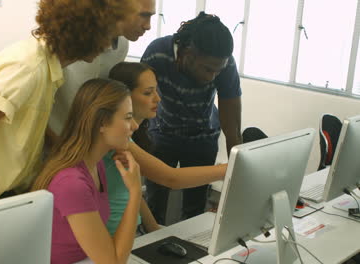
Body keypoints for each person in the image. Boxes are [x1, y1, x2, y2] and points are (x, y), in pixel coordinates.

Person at [0, 0, 137, 211]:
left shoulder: (48, 68)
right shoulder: (29, 68)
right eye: (106, 35)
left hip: (2, 192)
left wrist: (66, 151)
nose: (107, 46)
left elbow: (28, 121)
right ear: (85, 32)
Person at [141, 12, 242, 224]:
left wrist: (237, 158)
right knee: (154, 202)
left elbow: (230, 111)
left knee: (194, 209)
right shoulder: (158, 53)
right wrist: (135, 145)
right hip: (161, 133)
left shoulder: (223, 62)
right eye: (207, 69)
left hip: (202, 137)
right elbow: (138, 99)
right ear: (187, 53)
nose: (211, 76)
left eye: (217, 71)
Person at [105, 62, 227, 234]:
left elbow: (131, 192)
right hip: (115, 235)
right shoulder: (117, 142)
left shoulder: (130, 138)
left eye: (156, 90)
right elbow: (172, 178)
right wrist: (226, 170)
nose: (158, 98)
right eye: (148, 93)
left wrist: (154, 229)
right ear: (124, 97)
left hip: (132, 229)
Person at [31, 79, 141, 264]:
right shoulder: (72, 183)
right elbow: (112, 262)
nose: (135, 126)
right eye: (128, 117)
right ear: (102, 123)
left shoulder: (95, 165)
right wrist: (135, 191)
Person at [48, 0, 156, 137]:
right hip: (52, 140)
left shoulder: (122, 46)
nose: (148, 26)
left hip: (87, 141)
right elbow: (39, 104)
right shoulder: (68, 40)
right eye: (144, 15)